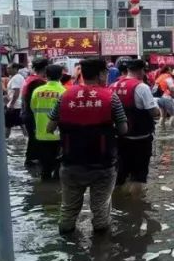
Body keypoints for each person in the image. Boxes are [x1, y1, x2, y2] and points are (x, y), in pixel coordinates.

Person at [48, 58, 127, 234]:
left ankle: (67, 250)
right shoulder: (111, 98)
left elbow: (50, 127)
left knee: (68, 211)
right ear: (100, 74)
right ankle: (101, 254)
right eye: (106, 72)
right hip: (102, 164)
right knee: (100, 212)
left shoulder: (65, 96)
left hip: (71, 163)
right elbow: (123, 129)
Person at [111, 58, 160, 189]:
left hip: (119, 138)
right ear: (141, 70)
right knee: (138, 177)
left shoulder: (113, 86)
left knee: (119, 174)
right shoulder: (141, 87)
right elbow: (153, 112)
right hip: (140, 138)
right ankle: (137, 207)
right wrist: (159, 110)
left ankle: (116, 206)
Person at [30, 64, 68, 180]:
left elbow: (33, 108)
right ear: (61, 76)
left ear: (46, 75)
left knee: (45, 167)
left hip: (41, 133)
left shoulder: (37, 91)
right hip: (58, 134)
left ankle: (45, 187)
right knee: (59, 165)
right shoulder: (64, 91)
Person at [19, 56, 51, 167]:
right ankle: (33, 161)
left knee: (33, 138)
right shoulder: (38, 82)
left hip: (26, 114)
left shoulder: (30, 79)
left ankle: (31, 161)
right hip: (32, 115)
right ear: (46, 68)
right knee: (35, 139)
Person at [4, 63, 27, 138]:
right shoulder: (18, 77)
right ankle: (27, 138)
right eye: (7, 68)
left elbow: (16, 92)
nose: (7, 70)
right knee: (22, 124)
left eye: (9, 68)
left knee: (7, 125)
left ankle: (5, 141)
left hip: (14, 106)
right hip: (18, 105)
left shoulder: (16, 78)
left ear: (15, 69)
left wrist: (11, 104)